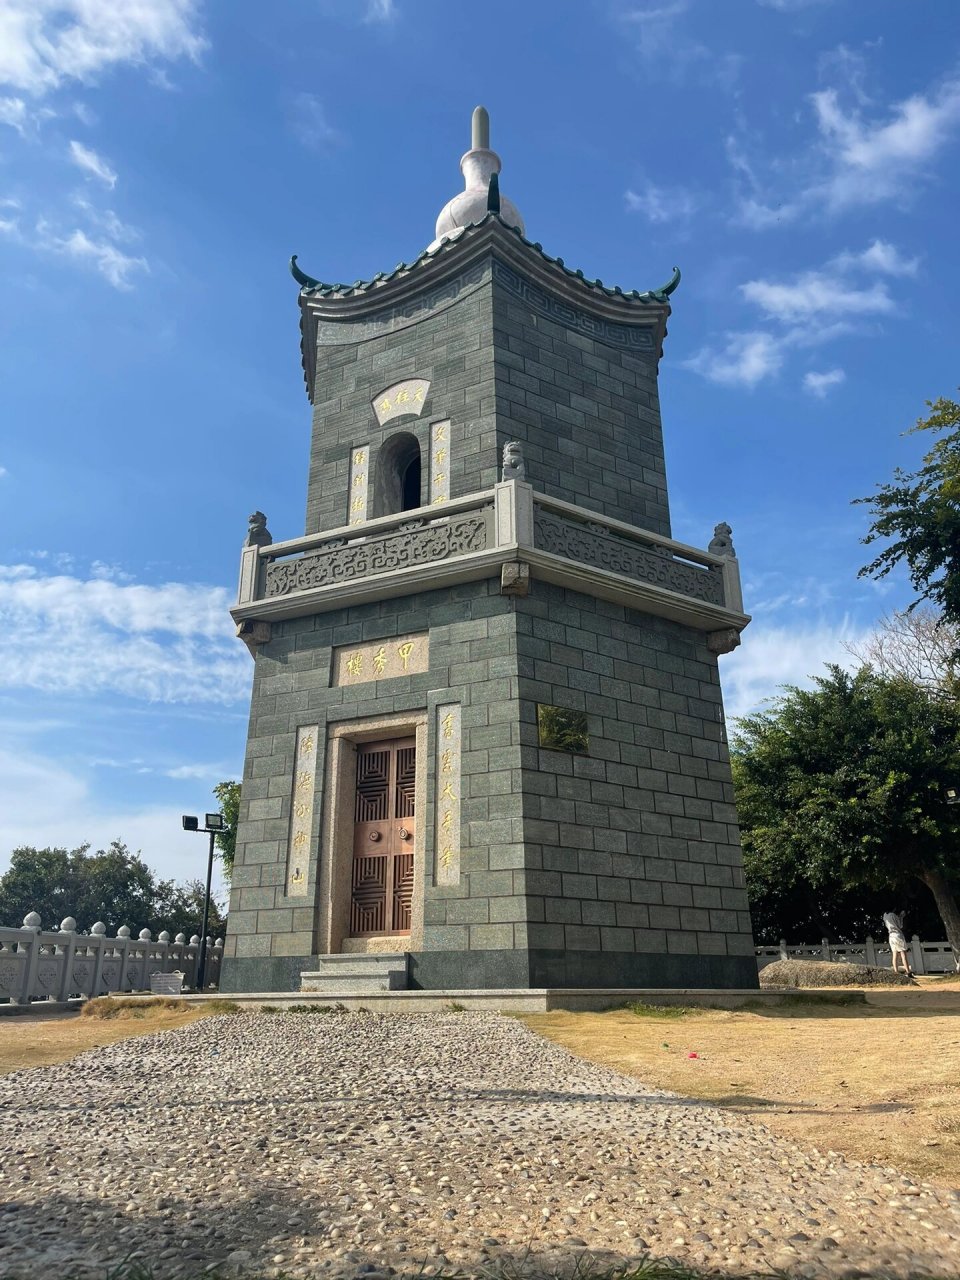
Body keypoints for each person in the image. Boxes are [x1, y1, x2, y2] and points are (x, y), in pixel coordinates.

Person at [882, 910, 913, 976]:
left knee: (895, 954)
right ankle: (908, 972)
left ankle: (896, 972)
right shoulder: (893, 915)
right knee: (903, 954)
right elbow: (900, 925)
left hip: (891, 936)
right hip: (897, 935)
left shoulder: (885, 915)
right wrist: (901, 916)